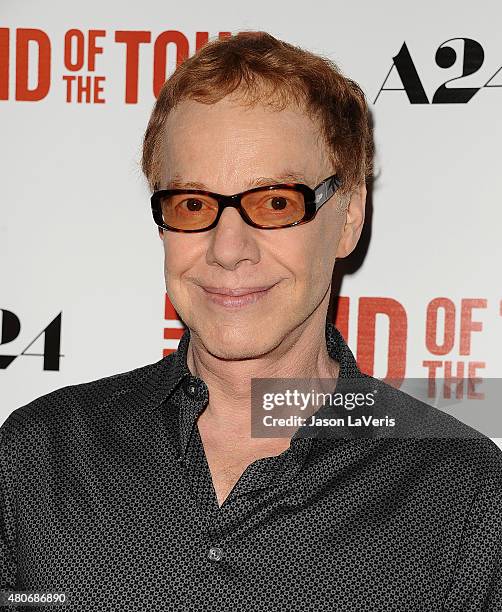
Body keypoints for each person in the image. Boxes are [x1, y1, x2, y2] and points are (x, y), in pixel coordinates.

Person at [1, 31, 501, 611]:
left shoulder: (462, 494)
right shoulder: (39, 455)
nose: (228, 248)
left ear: (348, 216)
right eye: (193, 204)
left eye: (275, 203)